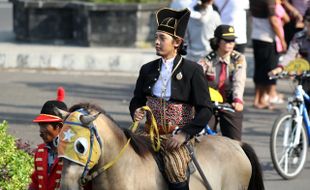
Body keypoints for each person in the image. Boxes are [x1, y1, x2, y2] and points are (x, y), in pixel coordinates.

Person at [129, 8, 213, 190]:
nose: (156, 42)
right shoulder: (147, 69)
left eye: (162, 38)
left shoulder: (192, 71)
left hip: (177, 135)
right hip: (149, 132)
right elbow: (137, 99)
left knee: (175, 168)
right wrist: (135, 110)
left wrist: (184, 134)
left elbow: (206, 109)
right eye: (156, 37)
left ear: (176, 42)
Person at [198, 25, 247, 141]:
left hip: (230, 102)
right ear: (217, 41)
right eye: (227, 40)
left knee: (235, 142)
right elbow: (196, 76)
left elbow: (239, 81)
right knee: (202, 138)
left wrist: (237, 100)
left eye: (233, 41)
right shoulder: (207, 59)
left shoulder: (238, 59)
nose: (231, 44)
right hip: (209, 102)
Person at [269, 7, 310, 108]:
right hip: (306, 77)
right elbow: (290, 54)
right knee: (300, 103)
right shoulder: (299, 37)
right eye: (309, 20)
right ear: (304, 21)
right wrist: (280, 68)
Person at [250, 0, 286, 109]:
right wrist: (282, 39)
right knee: (267, 70)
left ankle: (259, 99)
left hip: (256, 35)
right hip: (267, 38)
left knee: (259, 69)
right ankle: (261, 100)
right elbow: (273, 20)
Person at [29, 87, 67, 190]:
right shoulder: (40, 151)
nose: (41, 131)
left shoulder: (71, 153)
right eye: (40, 125)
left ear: (59, 126)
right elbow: (36, 183)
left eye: (44, 125)